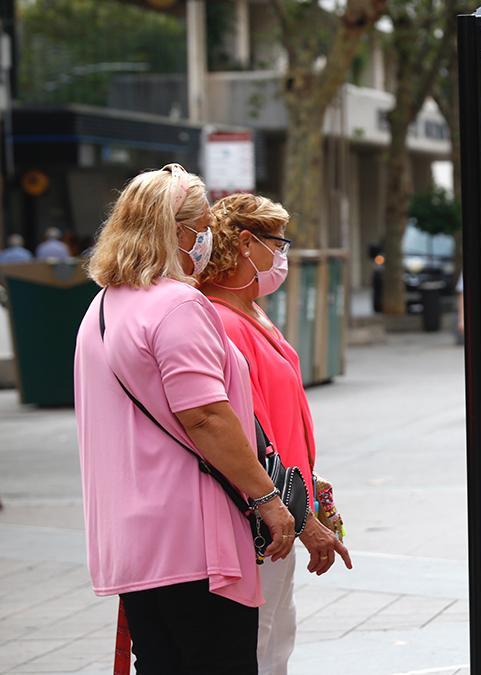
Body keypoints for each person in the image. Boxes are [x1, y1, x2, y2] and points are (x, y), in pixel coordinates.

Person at [74, 164, 297, 673]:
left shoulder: (103, 307)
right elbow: (206, 418)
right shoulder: (178, 306)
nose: (206, 240)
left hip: (133, 541)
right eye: (202, 227)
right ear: (177, 231)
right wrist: (268, 499)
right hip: (192, 541)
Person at [196, 194, 351, 674]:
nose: (281, 255)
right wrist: (303, 522)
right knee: (260, 643)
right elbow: (251, 434)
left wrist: (312, 486)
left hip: (284, 503)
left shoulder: (250, 312)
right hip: (261, 514)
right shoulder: (221, 320)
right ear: (246, 243)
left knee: (275, 638)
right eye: (278, 243)